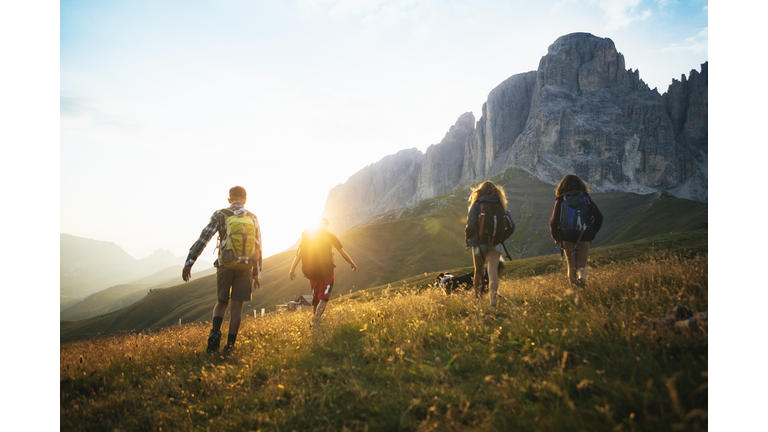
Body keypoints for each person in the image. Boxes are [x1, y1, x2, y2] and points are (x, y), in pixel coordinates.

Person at [182, 186, 262, 353]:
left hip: (225, 264)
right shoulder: (253, 217)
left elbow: (204, 238)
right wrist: (256, 273)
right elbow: (258, 246)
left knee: (221, 302)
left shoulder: (220, 214)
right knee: (237, 308)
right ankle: (230, 347)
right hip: (246, 266)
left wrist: (190, 261)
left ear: (229, 199)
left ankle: (215, 334)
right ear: (245, 200)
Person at [289, 218, 356, 329]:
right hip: (326, 271)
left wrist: (292, 269)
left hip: (310, 271)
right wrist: (352, 263)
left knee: (316, 297)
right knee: (323, 298)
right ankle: (315, 321)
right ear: (326, 225)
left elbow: (300, 254)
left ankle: (316, 323)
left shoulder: (308, 235)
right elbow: (343, 253)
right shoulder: (330, 236)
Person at [465, 181, 515, 306]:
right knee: (492, 271)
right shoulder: (501, 205)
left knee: (478, 272)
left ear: (480, 191)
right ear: (496, 192)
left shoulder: (477, 204)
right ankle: (493, 300)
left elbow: (470, 224)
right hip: (496, 243)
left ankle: (478, 300)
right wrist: (502, 237)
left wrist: (469, 238)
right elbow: (511, 225)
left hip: (479, 243)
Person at [549, 174, 603, 288]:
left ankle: (574, 291)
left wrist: (556, 237)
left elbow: (553, 221)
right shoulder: (585, 197)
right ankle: (581, 278)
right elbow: (599, 216)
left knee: (571, 265)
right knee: (582, 264)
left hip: (567, 235)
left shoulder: (561, 199)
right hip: (584, 234)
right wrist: (591, 234)